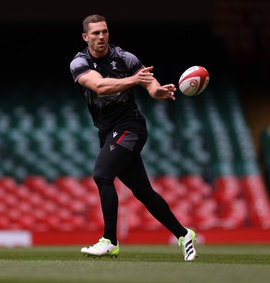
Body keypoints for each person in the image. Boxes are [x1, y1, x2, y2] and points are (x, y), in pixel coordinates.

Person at [69, 14, 197, 261]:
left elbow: (149, 82)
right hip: (107, 131)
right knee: (143, 192)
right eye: (95, 33)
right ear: (86, 37)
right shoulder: (79, 63)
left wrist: (156, 90)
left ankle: (110, 241)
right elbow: (100, 87)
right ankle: (184, 234)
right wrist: (135, 80)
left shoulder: (125, 57)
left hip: (130, 126)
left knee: (102, 175)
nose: (101, 36)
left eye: (104, 31)